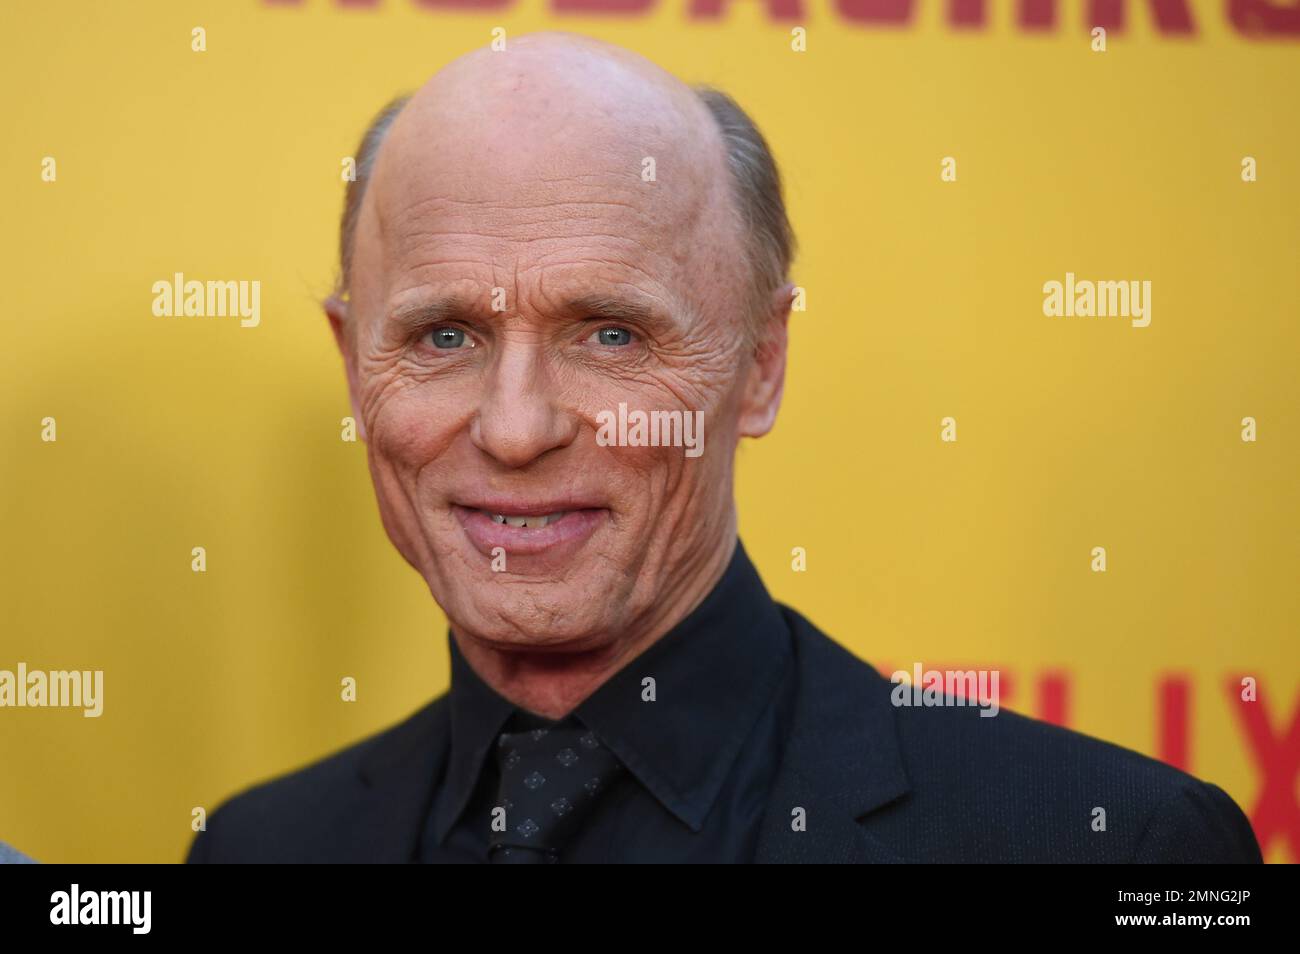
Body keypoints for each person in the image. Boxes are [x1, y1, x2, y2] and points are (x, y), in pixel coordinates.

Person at [187, 32, 1260, 864]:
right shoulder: (259, 850)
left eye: (610, 334)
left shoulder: (1106, 846)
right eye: (444, 336)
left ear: (759, 365)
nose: (516, 429)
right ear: (351, 363)